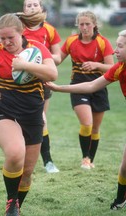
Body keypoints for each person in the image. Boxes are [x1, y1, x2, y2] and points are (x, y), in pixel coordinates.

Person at [0, 13, 58, 215]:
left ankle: (15, 205)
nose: (6, 42)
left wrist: (24, 65)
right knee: (15, 153)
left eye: (10, 38)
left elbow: (52, 73)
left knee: (27, 172)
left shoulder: (36, 49)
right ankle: (11, 205)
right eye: (2, 38)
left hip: (32, 114)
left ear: (21, 33)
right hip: (2, 109)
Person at [45, 29, 126, 212]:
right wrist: (58, 88)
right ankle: (120, 199)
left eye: (120, 46)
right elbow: (91, 86)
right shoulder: (120, 68)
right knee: (124, 167)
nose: (115, 50)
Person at [58, 11, 114, 170]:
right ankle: (85, 158)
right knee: (87, 123)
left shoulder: (103, 42)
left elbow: (112, 67)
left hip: (98, 86)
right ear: (78, 25)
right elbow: (56, 60)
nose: (84, 27)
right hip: (78, 87)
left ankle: (90, 160)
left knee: (95, 128)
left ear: (94, 24)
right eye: (81, 24)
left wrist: (96, 65)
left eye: (87, 24)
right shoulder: (71, 41)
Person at [16, 0, 61, 173]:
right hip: (18, 80)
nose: (32, 8)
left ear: (41, 8)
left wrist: (40, 57)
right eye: (29, 5)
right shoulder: (18, 27)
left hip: (41, 80)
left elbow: (57, 57)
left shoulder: (49, 29)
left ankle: (48, 161)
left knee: (40, 120)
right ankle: (21, 156)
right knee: (18, 121)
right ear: (23, 9)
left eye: (35, 4)